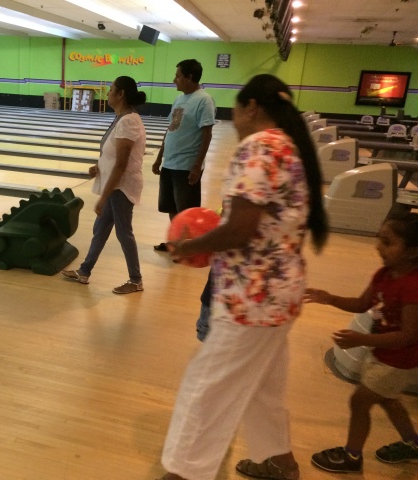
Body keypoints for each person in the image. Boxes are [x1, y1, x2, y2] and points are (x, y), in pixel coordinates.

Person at [156, 74, 328, 480]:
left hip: (252, 298)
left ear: (251, 108)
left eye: (235, 109)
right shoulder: (288, 147)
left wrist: (188, 246)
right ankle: (280, 463)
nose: (234, 118)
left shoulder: (259, 146)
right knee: (262, 384)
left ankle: (182, 472)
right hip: (279, 294)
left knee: (206, 387)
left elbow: (239, 230)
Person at [306, 212, 418, 474]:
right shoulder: (384, 274)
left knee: (360, 402)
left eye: (388, 242)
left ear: (413, 252)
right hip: (382, 354)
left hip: (398, 361)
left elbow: (408, 335)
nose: (379, 247)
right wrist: (330, 298)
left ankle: (352, 457)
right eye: (379, 239)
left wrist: (361, 339)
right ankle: (414, 444)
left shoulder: (412, 287)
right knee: (388, 401)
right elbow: (362, 304)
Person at [61, 76, 146, 294]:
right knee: (100, 229)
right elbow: (113, 156)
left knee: (124, 232)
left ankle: (136, 280)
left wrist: (104, 196)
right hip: (115, 184)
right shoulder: (121, 118)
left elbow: (122, 164)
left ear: (121, 94)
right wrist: (98, 166)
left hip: (121, 186)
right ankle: (84, 271)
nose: (107, 93)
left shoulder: (128, 121)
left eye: (111, 89)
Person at [152, 59, 216, 252]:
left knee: (186, 210)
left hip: (186, 165)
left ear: (189, 77)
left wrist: (197, 165)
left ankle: (187, 246)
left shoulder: (204, 100)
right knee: (171, 207)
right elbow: (170, 129)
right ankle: (175, 242)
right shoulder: (179, 99)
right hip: (170, 162)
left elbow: (207, 134)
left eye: (178, 76)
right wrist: (159, 157)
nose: (174, 80)